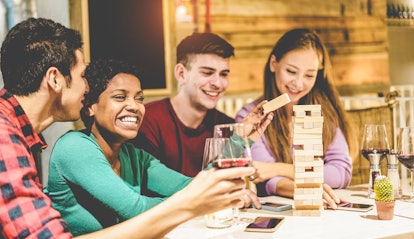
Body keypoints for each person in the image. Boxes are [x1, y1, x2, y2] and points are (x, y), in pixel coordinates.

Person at [0, 17, 256, 239]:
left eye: (140, 98)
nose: (86, 88)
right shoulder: (13, 138)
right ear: (55, 79)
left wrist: (238, 143)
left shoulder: (132, 155)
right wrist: (200, 203)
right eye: (82, 77)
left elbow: (192, 186)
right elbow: (136, 208)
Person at [235, 28, 354, 209]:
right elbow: (264, 177)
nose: (298, 84)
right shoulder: (249, 117)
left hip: (327, 209)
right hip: (280, 211)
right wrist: (304, 189)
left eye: (309, 75)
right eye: (291, 71)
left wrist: (280, 169)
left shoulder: (325, 114)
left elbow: (340, 173)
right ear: (273, 64)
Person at [131, 32, 273, 177]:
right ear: (181, 74)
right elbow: (151, 187)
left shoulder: (225, 126)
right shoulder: (148, 122)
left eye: (223, 74)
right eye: (207, 73)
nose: (217, 83)